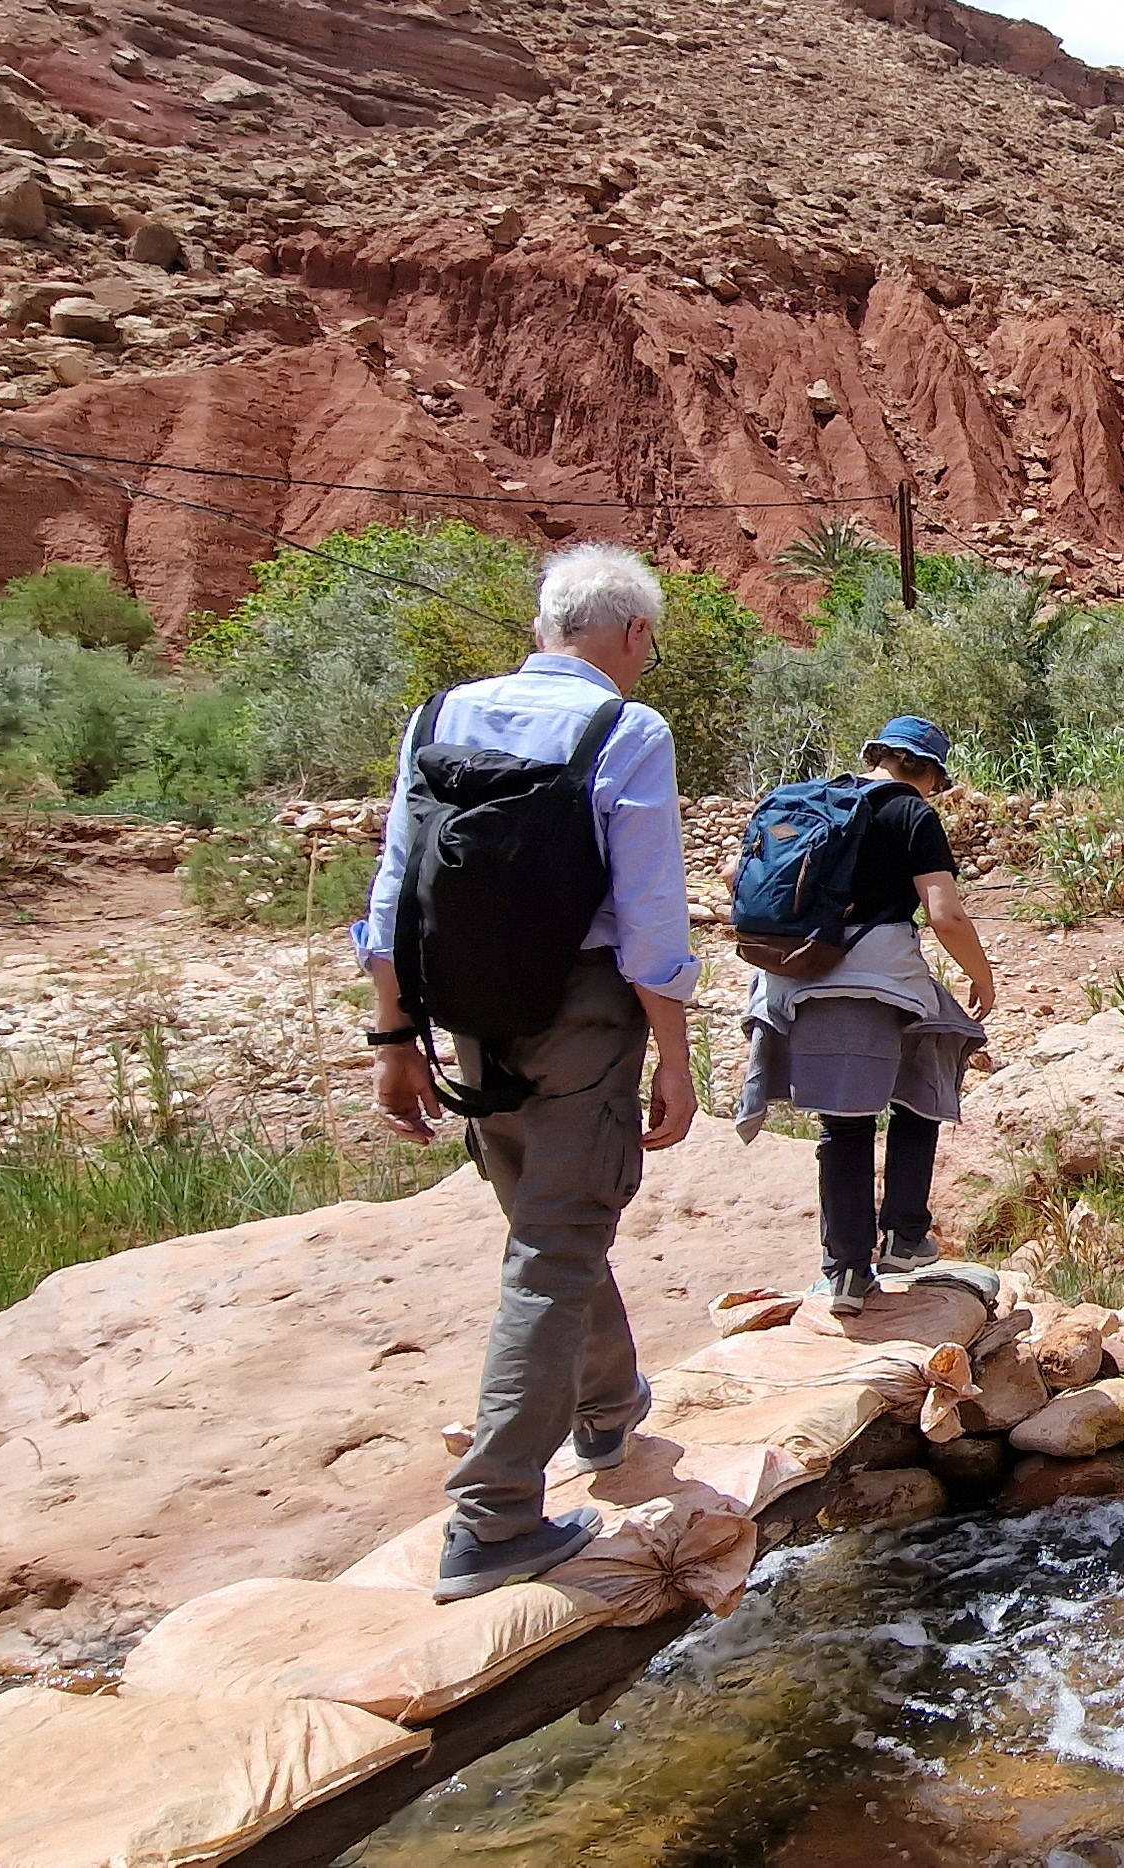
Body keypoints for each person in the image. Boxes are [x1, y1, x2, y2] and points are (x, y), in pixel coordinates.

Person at [360, 543, 699, 1602]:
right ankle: (497, 1515)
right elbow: (649, 917)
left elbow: (393, 886)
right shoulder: (626, 728)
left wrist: (393, 1035)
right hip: (583, 1008)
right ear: (633, 633)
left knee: (546, 1222)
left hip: (468, 1011)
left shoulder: (440, 717)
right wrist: (676, 1052)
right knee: (557, 1237)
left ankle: (607, 1411)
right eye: (650, 642)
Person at [734, 717, 997, 1307]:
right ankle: (904, 1235)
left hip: (795, 974)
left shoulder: (810, 801)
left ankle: (848, 1271)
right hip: (879, 975)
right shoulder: (912, 813)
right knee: (928, 1071)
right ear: (928, 772)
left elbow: (736, 876)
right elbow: (943, 912)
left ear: (876, 754)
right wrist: (981, 975)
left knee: (844, 1122)